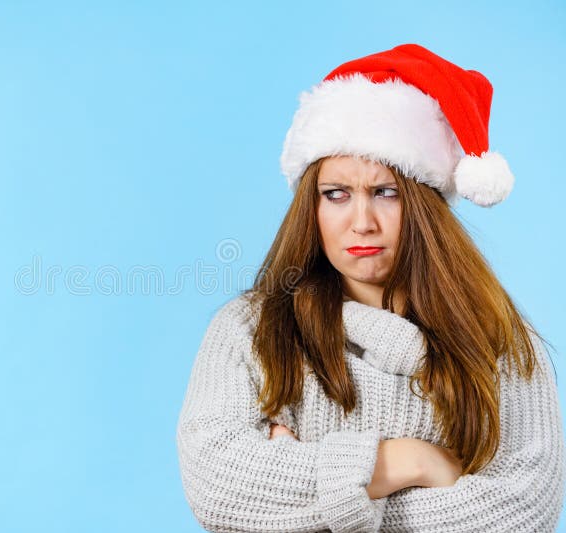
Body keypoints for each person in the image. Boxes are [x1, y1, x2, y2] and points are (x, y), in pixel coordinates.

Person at [175, 43, 566, 532]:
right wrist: (408, 464)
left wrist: (304, 494)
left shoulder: (499, 339)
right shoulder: (250, 330)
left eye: (386, 192)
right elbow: (219, 487)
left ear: (423, 206)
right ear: (312, 208)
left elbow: (523, 515)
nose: (362, 223)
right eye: (335, 194)